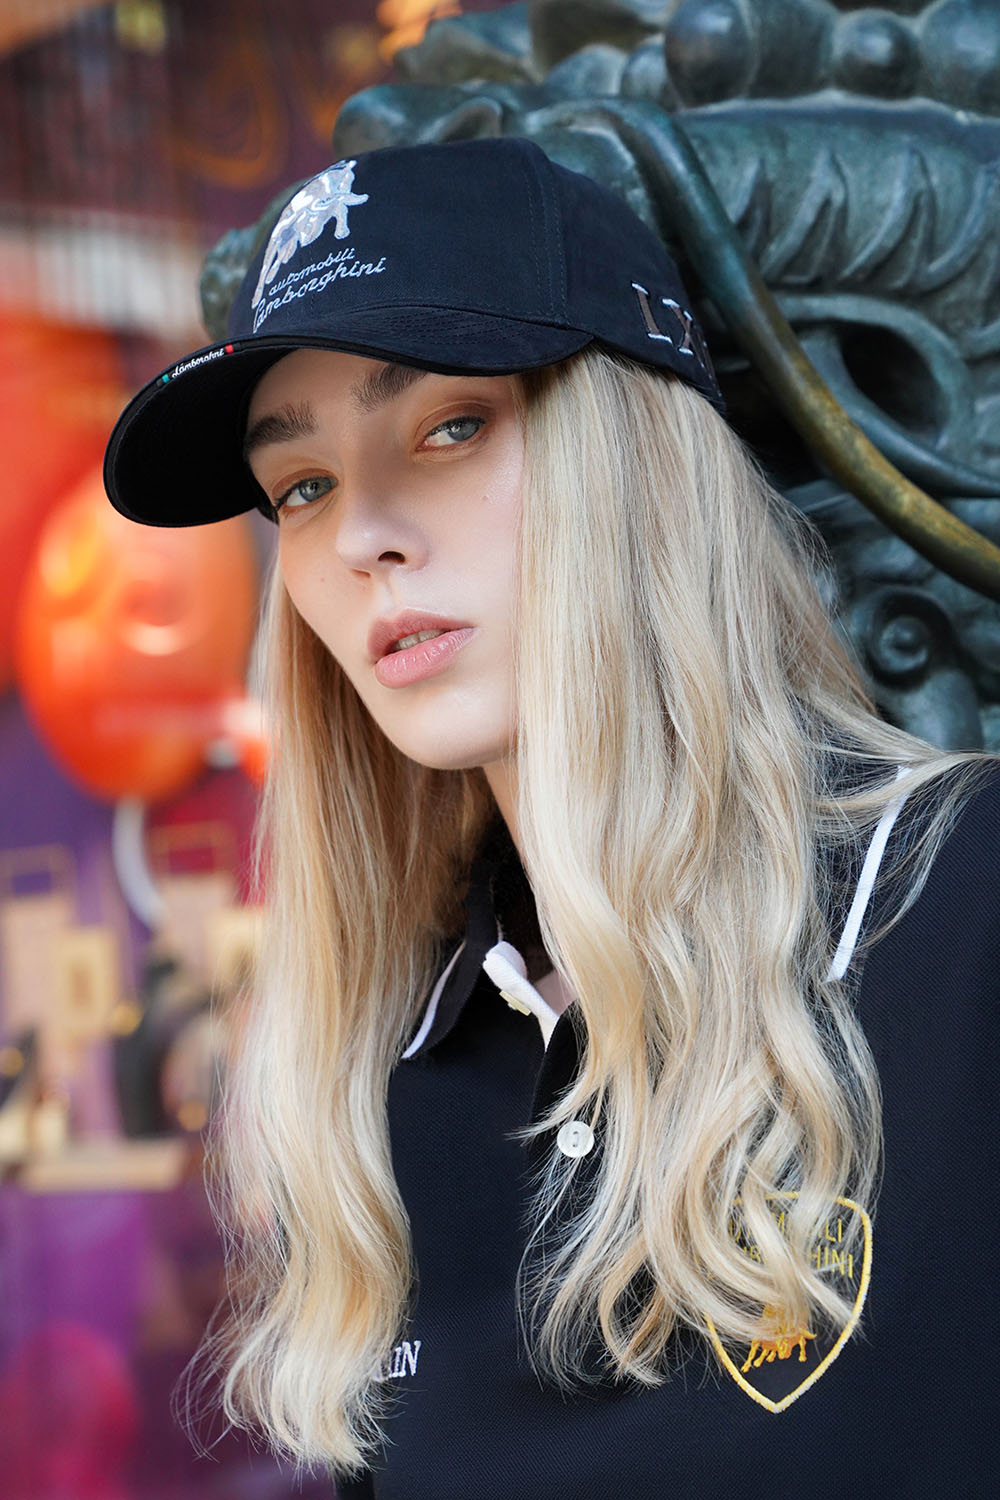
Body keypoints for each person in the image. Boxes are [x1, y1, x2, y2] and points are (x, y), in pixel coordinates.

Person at [104, 138, 999, 1499]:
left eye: (449, 427)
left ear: (630, 451)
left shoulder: (963, 909)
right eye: (304, 486)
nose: (362, 536)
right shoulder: (383, 1087)